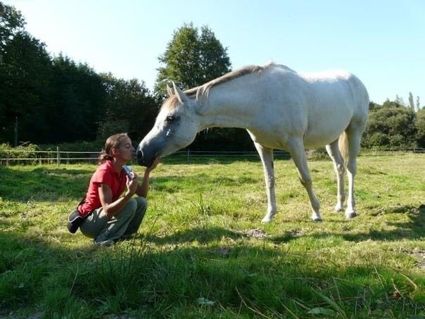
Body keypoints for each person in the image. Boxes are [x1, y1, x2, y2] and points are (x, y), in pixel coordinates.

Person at [77, 133, 159, 246]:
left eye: (131, 145)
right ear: (115, 151)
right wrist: (128, 194)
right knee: (130, 202)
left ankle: (125, 235)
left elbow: (142, 194)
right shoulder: (104, 172)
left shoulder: (125, 170)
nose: (133, 149)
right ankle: (102, 239)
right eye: (127, 146)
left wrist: (147, 172)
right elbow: (107, 209)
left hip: (103, 217)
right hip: (90, 222)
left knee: (141, 202)